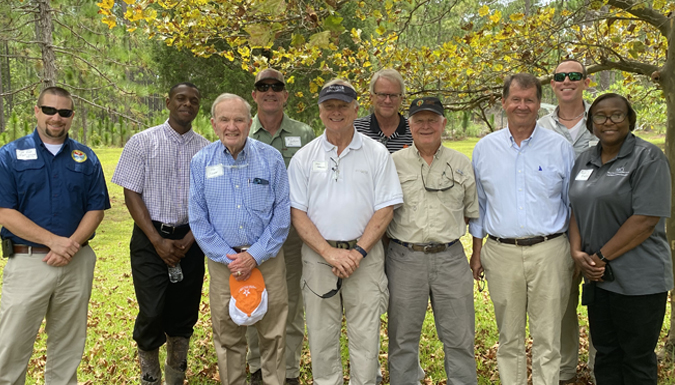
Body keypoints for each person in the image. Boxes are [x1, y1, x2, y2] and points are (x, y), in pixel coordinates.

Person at [288, 80, 403, 385]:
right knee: (321, 336)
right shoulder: (304, 157)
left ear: (356, 108)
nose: (336, 112)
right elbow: (297, 212)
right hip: (318, 258)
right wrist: (328, 252)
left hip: (365, 257)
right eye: (329, 106)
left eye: (342, 105)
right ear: (320, 110)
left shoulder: (376, 154)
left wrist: (358, 251)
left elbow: (386, 208)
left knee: (365, 337)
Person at [469, 73, 575, 385]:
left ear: (539, 104)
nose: (522, 106)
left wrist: (574, 252)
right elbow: (479, 207)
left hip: (550, 251)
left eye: (529, 100)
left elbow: (573, 206)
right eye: (516, 99)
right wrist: (476, 254)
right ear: (504, 102)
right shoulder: (484, 149)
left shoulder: (560, 148)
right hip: (501, 252)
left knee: (548, 335)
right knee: (509, 336)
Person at [0, 86, 110, 384]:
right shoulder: (9, 156)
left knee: (67, 347)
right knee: (10, 347)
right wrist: (54, 242)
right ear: (37, 111)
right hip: (28, 262)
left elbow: (96, 208)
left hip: (75, 263)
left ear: (71, 116)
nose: (56, 117)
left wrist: (70, 246)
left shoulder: (85, 158)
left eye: (63, 112)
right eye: (49, 110)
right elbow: (5, 211)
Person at [569, 93, 672, 385]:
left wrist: (600, 257)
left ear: (629, 120)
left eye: (617, 115)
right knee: (606, 354)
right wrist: (577, 252)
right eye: (600, 116)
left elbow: (646, 220)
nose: (609, 122)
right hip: (598, 278)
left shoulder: (648, 158)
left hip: (640, 280)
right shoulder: (584, 160)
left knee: (637, 359)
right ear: (591, 123)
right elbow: (576, 207)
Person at [189, 93, 290, 385]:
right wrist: (229, 258)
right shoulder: (201, 162)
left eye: (238, 119)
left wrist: (254, 255)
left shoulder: (271, 160)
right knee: (228, 335)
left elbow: (282, 216)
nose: (231, 126)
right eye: (224, 119)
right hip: (224, 265)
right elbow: (198, 219)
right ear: (213, 124)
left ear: (249, 123)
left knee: (273, 334)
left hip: (267, 260)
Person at [111, 82, 209, 385]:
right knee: (152, 310)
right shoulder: (142, 142)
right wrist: (157, 241)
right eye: (181, 98)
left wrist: (190, 238)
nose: (187, 104)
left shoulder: (206, 149)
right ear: (168, 102)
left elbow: (210, 200)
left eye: (194, 100)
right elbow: (131, 193)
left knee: (183, 312)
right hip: (149, 236)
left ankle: (176, 375)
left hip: (191, 239)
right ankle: (149, 376)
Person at [387, 96, 479, 385]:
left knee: (460, 337)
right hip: (404, 258)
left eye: (432, 119)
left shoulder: (461, 163)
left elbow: (473, 214)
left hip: (451, 258)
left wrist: (476, 256)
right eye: (419, 120)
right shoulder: (393, 164)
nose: (425, 126)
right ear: (409, 125)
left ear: (443, 123)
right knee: (402, 339)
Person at [246, 68, 315, 385]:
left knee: (288, 304)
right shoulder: (242, 133)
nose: (270, 91)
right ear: (254, 94)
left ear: (286, 95)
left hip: (291, 236)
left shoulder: (304, 134)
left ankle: (288, 371)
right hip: (251, 237)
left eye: (277, 87)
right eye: (263, 86)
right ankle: (258, 367)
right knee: (253, 302)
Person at [537, 59, 598, 384]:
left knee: (603, 305)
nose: (566, 81)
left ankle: (602, 369)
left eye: (574, 75)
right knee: (561, 308)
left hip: (603, 230)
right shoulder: (541, 127)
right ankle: (564, 373)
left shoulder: (602, 119)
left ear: (586, 82)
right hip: (559, 233)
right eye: (560, 77)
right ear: (553, 84)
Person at [354, 68, 412, 153]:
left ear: (401, 99)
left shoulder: (414, 132)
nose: (387, 101)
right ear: (371, 96)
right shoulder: (355, 130)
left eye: (393, 95)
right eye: (382, 95)